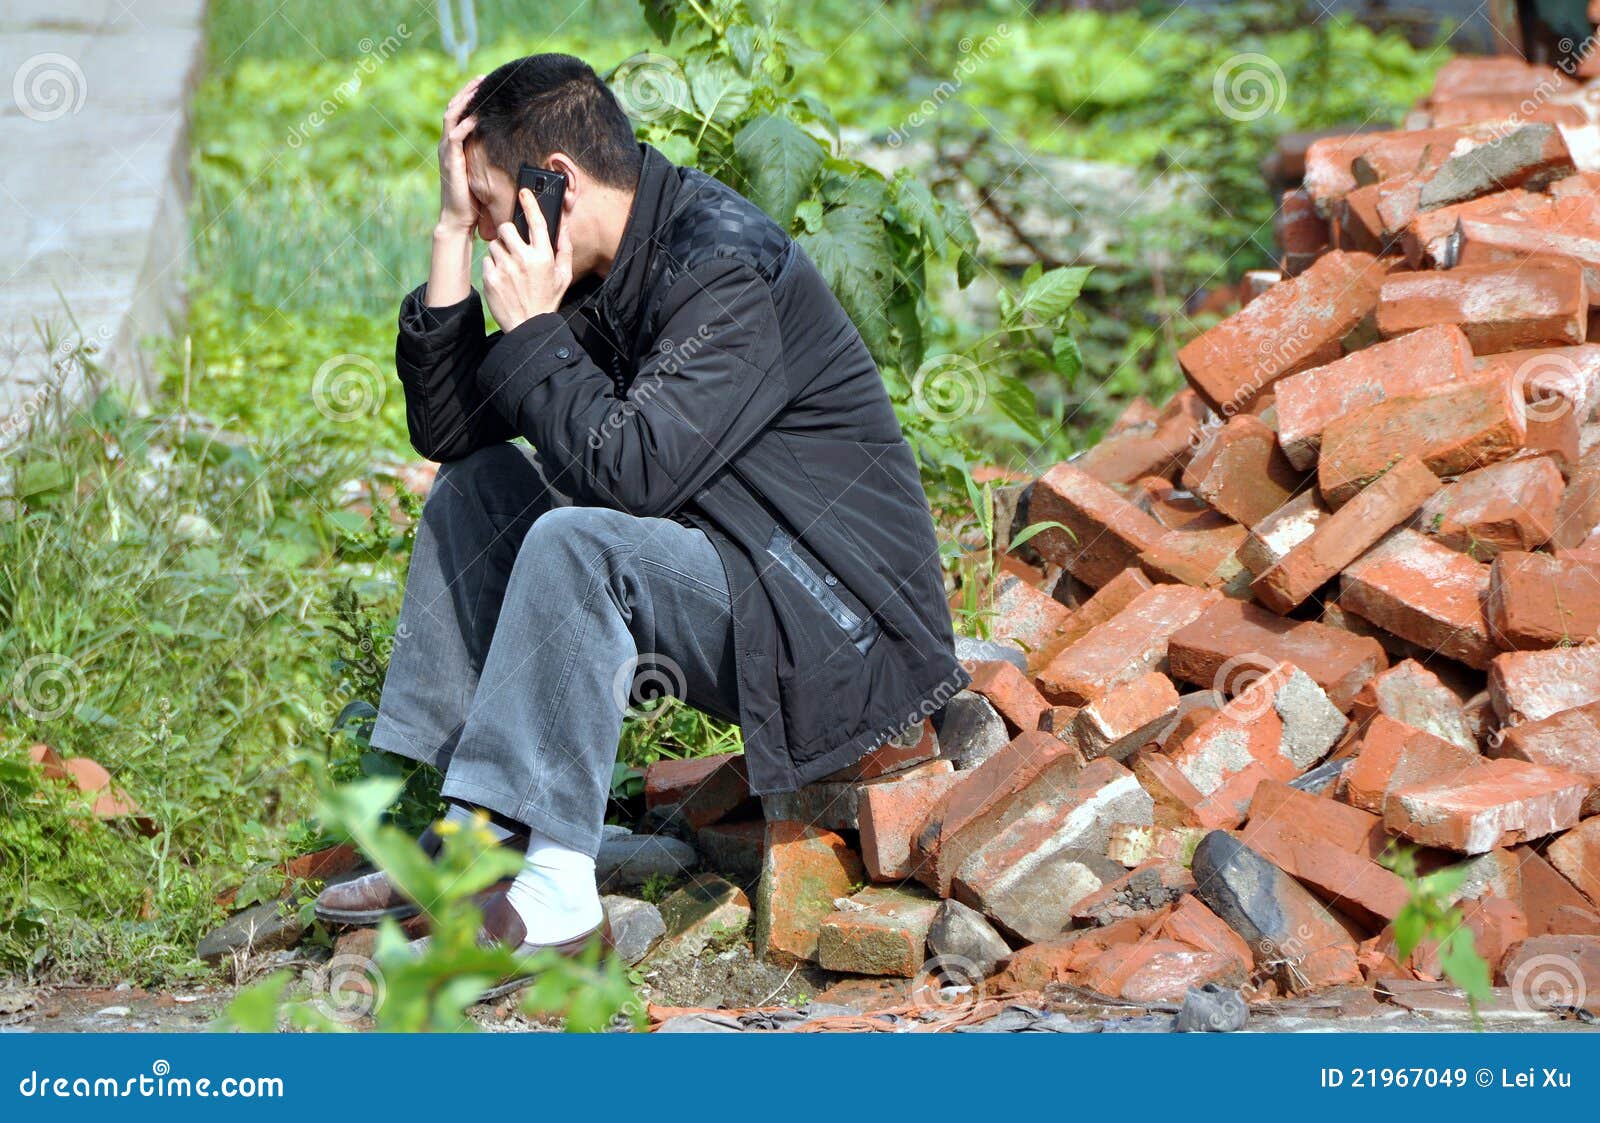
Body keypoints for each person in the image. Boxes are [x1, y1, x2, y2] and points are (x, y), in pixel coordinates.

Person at [314, 54, 964, 964]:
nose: (501, 240)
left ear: (558, 185)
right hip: (729, 574)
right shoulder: (592, 267)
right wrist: (450, 232)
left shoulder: (725, 269)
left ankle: (560, 895)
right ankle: (474, 833)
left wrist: (536, 330)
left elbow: (633, 481)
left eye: (497, 209)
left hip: (835, 623)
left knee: (581, 542)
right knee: (480, 491)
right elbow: (448, 428)